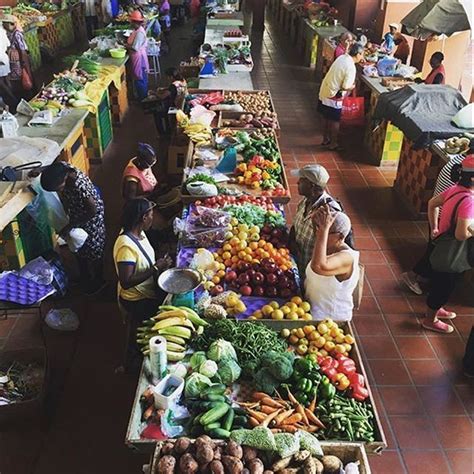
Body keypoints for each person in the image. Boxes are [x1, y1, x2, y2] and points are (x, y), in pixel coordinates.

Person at [404, 155, 474, 334]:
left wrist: (434, 227)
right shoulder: (469, 201)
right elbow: (460, 235)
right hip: (452, 252)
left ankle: (436, 308)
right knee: (445, 286)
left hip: (442, 245)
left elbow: (432, 203)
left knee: (439, 282)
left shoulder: (455, 189)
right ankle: (430, 319)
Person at [113, 198, 172, 371]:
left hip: (147, 290)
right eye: (151, 215)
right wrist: (156, 267)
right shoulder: (125, 246)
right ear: (143, 217)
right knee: (139, 335)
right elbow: (126, 281)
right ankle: (132, 366)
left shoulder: (140, 233)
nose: (153, 218)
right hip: (136, 299)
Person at [40, 162, 106, 295]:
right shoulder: (63, 168)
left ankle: (99, 281)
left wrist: (71, 225)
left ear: (64, 179)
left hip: (91, 220)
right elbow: (52, 167)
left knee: (94, 250)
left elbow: (92, 210)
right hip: (77, 216)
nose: (58, 191)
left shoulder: (79, 186)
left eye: (58, 188)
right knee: (79, 248)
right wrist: (38, 170)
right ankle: (84, 276)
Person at [305, 206, 360, 321]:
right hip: (311, 312)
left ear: (340, 237)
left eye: (325, 231)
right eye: (316, 229)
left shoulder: (347, 258)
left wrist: (323, 231)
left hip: (329, 321)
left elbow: (319, 266)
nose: (317, 234)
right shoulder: (327, 248)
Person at [289, 164, 343, 276]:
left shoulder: (328, 215)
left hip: (314, 272)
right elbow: (295, 226)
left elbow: (331, 249)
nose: (297, 182)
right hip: (299, 264)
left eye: (301, 180)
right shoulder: (304, 202)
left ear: (311, 185)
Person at [318, 42, 364, 150]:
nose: (362, 57)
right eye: (362, 55)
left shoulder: (343, 57)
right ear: (357, 54)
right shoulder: (351, 67)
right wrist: (352, 87)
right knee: (334, 120)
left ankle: (325, 139)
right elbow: (346, 85)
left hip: (325, 90)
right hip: (334, 95)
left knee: (326, 117)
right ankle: (333, 143)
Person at [1, 15, 33, 100]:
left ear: (12, 24)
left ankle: (28, 98)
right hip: (14, 63)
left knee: (24, 80)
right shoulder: (8, 33)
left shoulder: (17, 34)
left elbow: (23, 51)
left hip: (19, 62)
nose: (4, 25)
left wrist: (25, 66)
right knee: (17, 82)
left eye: (5, 24)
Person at [125, 10, 149, 101]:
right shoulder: (137, 30)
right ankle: (142, 96)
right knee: (140, 77)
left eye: (132, 21)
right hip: (136, 57)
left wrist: (125, 45)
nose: (131, 23)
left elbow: (135, 47)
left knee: (140, 78)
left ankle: (143, 99)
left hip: (138, 58)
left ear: (136, 22)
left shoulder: (139, 33)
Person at [0, 22, 17, 112]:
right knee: (6, 79)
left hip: (0, 59)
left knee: (1, 83)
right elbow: (7, 45)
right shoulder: (2, 31)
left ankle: (13, 102)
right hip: (4, 57)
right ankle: (13, 100)